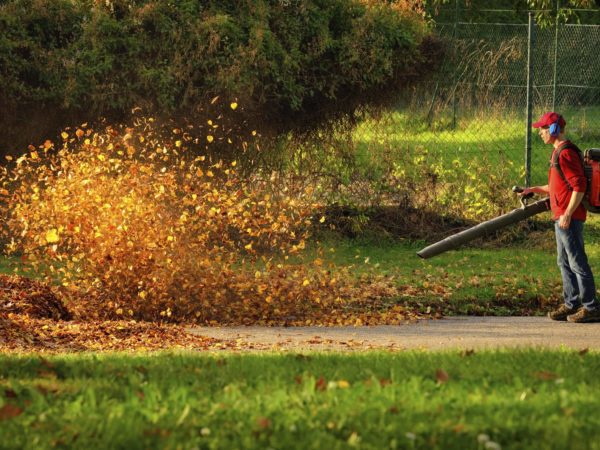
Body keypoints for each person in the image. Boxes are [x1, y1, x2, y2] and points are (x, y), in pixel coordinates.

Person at [519, 111, 600, 323]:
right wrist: (534, 189)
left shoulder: (565, 153)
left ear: (554, 129)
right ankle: (571, 303)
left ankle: (591, 307)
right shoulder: (557, 153)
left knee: (576, 262)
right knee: (564, 261)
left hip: (569, 218)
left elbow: (579, 185)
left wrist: (567, 213)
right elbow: (558, 185)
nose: (540, 133)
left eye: (543, 129)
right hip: (562, 216)